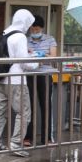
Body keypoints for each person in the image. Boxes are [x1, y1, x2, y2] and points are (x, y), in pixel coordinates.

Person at [0, 9, 39, 154]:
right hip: (17, 80)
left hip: (2, 78)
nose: (30, 28)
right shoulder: (20, 37)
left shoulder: (6, 33)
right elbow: (25, 63)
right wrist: (36, 60)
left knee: (0, 112)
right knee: (24, 112)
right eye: (29, 24)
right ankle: (16, 144)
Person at [25, 15, 58, 146]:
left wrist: (43, 55)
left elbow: (54, 57)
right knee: (28, 106)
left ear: (42, 28)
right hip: (29, 75)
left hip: (45, 75)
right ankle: (28, 137)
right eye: (32, 29)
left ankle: (47, 138)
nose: (34, 32)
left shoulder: (50, 39)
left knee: (46, 106)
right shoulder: (26, 40)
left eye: (37, 29)